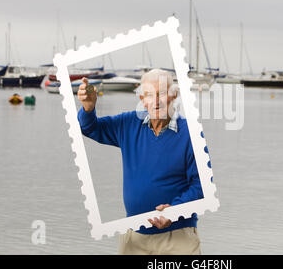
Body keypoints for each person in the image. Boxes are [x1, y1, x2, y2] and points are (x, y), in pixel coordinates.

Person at [77, 68, 203, 255]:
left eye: (162, 93)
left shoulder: (191, 134)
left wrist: (174, 211)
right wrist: (88, 108)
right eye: (149, 95)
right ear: (143, 101)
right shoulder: (128, 124)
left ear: (174, 95)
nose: (156, 101)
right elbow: (90, 128)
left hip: (178, 237)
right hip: (134, 237)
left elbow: (201, 186)